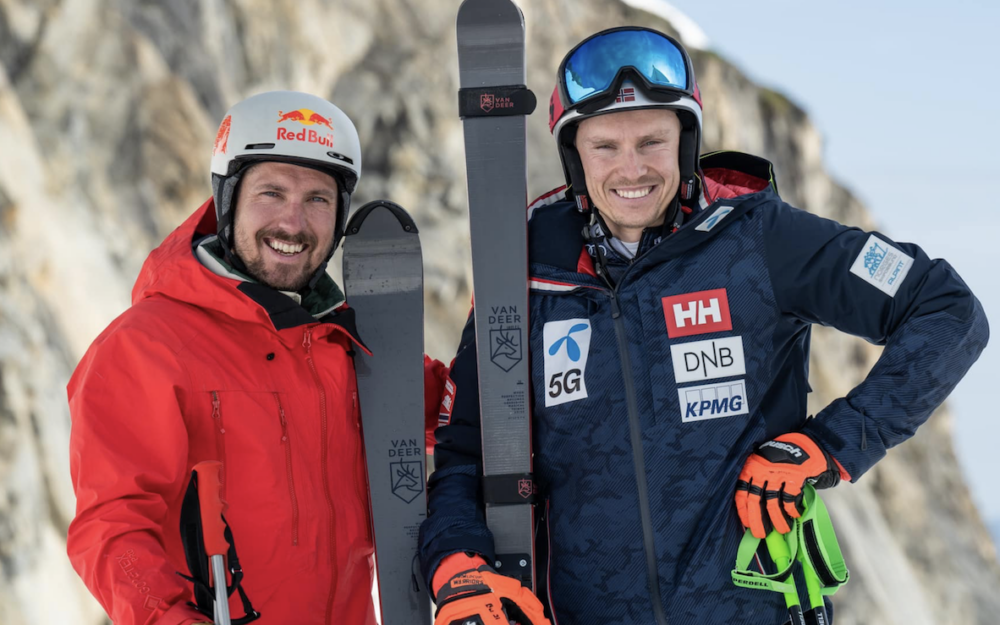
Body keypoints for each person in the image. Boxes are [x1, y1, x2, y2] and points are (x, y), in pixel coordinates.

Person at [419, 27, 989, 625]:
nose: (631, 168)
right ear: (574, 155)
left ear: (685, 141)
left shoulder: (759, 239)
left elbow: (948, 309)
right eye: (605, 146)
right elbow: (466, 454)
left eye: (652, 141)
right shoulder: (526, 270)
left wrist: (826, 445)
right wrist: (456, 567)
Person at [67, 90, 445, 625]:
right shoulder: (145, 349)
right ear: (228, 201)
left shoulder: (344, 347)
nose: (293, 223)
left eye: (318, 199)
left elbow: (466, 411)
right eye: (271, 193)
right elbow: (112, 527)